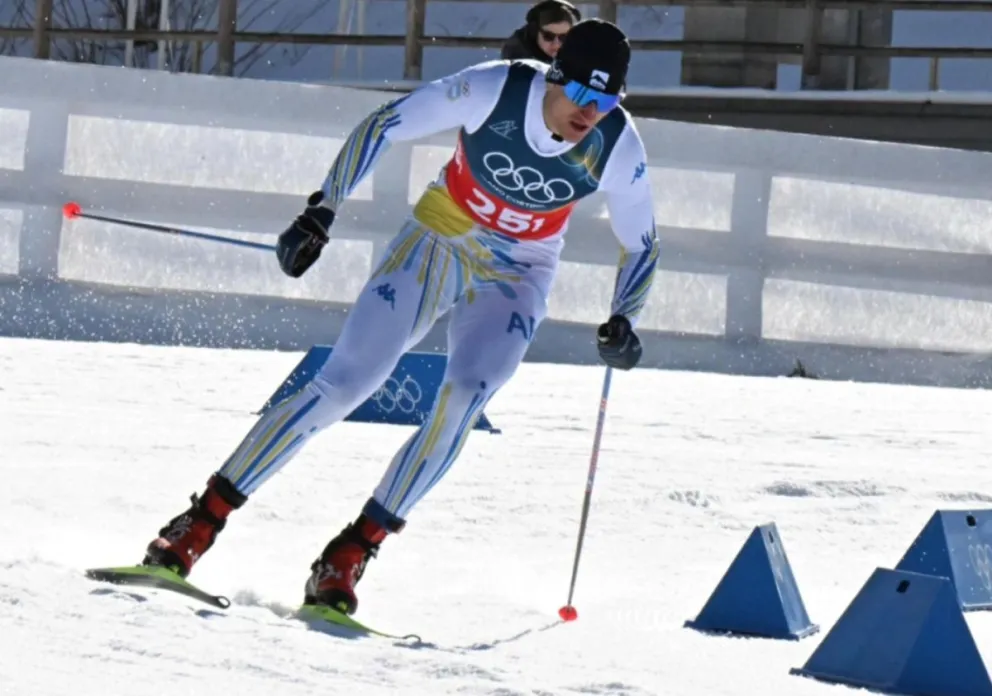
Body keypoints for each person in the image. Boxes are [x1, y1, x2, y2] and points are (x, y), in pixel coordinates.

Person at [141, 18, 660, 618]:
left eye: (608, 100)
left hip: (520, 270)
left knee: (465, 399)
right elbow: (386, 123)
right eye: (584, 95)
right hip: (441, 234)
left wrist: (625, 317)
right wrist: (322, 210)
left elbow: (642, 242)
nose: (592, 113)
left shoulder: (618, 144)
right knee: (347, 382)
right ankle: (199, 522)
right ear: (557, 77)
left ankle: (351, 551)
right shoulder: (497, 88)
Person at [500, 0, 580, 63]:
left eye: (563, 37)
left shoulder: (578, 49)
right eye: (548, 36)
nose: (556, 44)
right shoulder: (517, 53)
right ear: (534, 32)